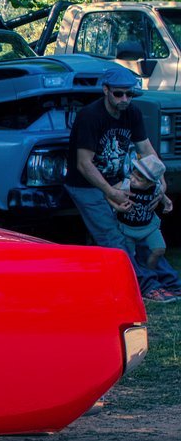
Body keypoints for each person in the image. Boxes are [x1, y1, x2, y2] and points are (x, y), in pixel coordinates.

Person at [65, 66, 181, 304]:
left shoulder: (132, 112)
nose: (125, 99)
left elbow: (146, 149)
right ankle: (145, 286)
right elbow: (84, 164)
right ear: (105, 90)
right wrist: (110, 192)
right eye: (119, 94)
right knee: (114, 237)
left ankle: (169, 282)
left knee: (142, 229)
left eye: (129, 94)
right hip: (87, 185)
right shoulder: (89, 116)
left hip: (120, 181)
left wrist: (159, 182)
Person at [116, 153, 173, 271]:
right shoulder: (126, 184)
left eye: (139, 179)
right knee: (129, 256)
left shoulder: (156, 187)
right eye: (133, 173)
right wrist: (116, 206)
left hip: (148, 227)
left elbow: (161, 195)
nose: (133, 179)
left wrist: (166, 201)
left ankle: (149, 273)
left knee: (159, 249)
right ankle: (135, 278)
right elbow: (108, 193)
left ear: (151, 183)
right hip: (127, 228)